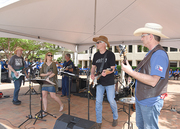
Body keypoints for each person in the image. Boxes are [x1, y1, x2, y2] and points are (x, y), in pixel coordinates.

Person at [121, 23, 169, 129]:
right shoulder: (151, 53)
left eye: (143, 36)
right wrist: (132, 72)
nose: (141, 39)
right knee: (141, 126)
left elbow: (153, 81)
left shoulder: (159, 54)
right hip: (143, 98)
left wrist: (131, 72)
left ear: (150, 36)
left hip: (150, 100)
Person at [91, 36, 118, 128]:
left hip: (109, 82)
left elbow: (113, 68)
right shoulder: (95, 55)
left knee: (111, 100)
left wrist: (106, 72)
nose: (96, 44)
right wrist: (92, 74)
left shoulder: (110, 54)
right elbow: (93, 67)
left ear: (104, 44)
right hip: (99, 82)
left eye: (98, 42)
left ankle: (115, 117)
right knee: (98, 101)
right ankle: (99, 122)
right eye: (96, 42)